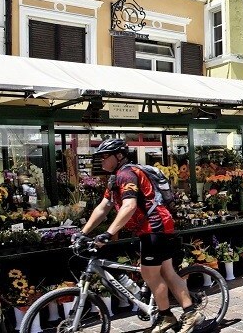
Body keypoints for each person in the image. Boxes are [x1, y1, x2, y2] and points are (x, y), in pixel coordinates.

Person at [76, 139, 201, 333]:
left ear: (118, 156)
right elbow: (104, 207)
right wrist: (82, 233)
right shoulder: (115, 178)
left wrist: (108, 234)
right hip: (152, 227)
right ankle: (190, 311)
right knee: (167, 272)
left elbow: (129, 206)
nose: (101, 160)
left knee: (150, 274)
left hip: (154, 226)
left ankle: (167, 315)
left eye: (104, 156)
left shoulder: (127, 174)